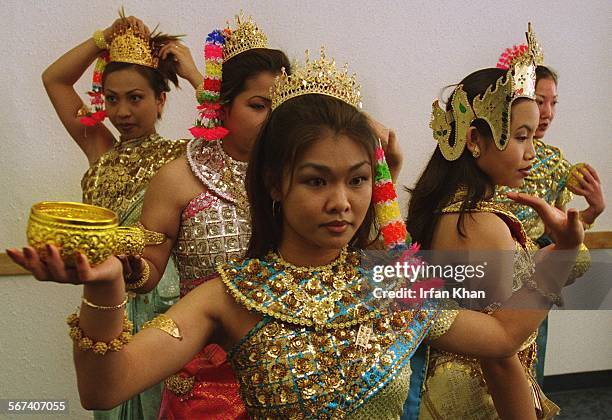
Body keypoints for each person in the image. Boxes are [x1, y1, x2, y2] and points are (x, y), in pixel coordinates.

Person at [8, 47, 583, 419]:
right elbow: (104, 389)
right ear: (276, 184)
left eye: (358, 180)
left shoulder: (394, 282)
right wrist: (105, 292)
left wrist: (561, 252)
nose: (342, 203)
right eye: (316, 181)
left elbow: (504, 337)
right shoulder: (231, 295)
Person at [41, 13, 202, 420]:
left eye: (135, 97)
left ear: (161, 99)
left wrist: (196, 76)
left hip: (162, 301)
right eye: (111, 98)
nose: (122, 111)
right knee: (107, 401)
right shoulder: (100, 149)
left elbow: (238, 130)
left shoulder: (181, 158)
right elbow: (55, 80)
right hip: (107, 300)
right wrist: (102, 39)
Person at [407, 28, 572, 419]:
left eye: (532, 136)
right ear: (475, 140)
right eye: (519, 137)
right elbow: (498, 355)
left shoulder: (454, 208)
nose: (532, 152)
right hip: (476, 398)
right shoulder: (477, 223)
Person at [493, 24, 604, 386]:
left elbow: (558, 234)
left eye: (554, 103)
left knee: (529, 380)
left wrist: (591, 213)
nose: (548, 112)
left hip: (535, 282)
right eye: (540, 101)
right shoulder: (489, 159)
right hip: (487, 280)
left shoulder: (556, 165)